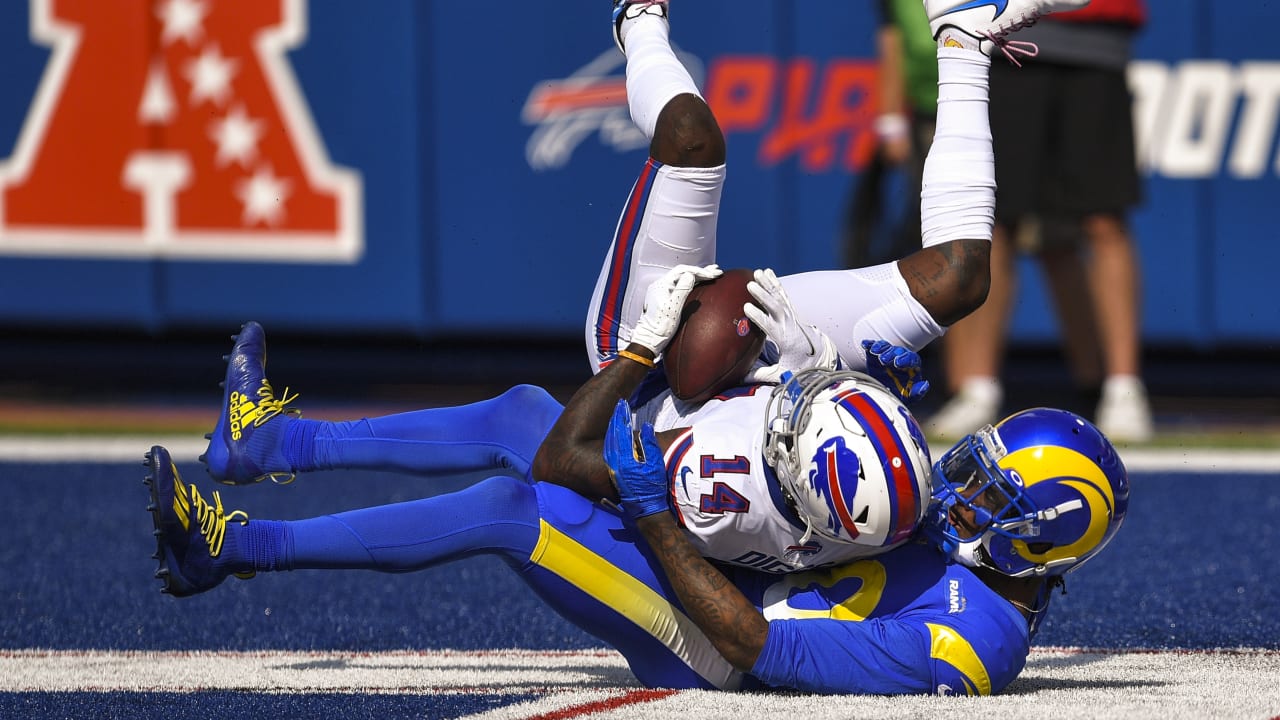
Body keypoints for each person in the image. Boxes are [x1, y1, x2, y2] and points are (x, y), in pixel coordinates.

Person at [146, 0, 1129, 697]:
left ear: (1031, 536)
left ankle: (232, 549)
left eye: (990, 491)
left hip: (709, 632)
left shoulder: (969, 648)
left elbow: (762, 651)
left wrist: (657, 512)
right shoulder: (951, 528)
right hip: (749, 543)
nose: (963, 476)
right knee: (528, 419)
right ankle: (269, 450)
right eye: (981, 465)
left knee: (513, 503)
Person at [924, 0, 1152, 443]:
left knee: (1105, 220)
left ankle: (1124, 389)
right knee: (992, 223)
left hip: (1097, 41)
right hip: (1005, 32)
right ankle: (976, 389)